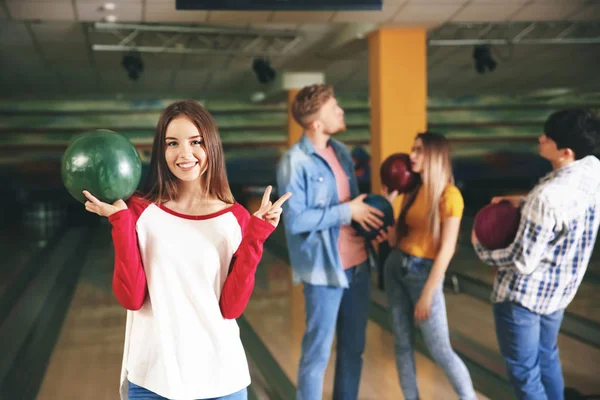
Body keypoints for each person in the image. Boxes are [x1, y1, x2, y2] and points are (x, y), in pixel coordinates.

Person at [82, 99, 291, 400]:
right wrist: (120, 223)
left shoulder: (236, 218)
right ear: (161, 150)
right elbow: (131, 297)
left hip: (220, 377)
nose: (184, 154)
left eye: (196, 142)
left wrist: (256, 236)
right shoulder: (140, 211)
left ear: (212, 147)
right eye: (172, 143)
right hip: (152, 376)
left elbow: (231, 308)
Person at [472, 108, 600, 400]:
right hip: (558, 294)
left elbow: (521, 261)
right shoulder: (593, 169)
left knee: (526, 375)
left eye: (548, 137)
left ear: (565, 151)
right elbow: (561, 209)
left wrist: (480, 246)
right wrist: (523, 202)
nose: (541, 138)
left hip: (522, 301)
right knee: (548, 360)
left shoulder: (546, 199)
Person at [275, 83, 385, 400]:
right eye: (334, 108)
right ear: (316, 123)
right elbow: (295, 220)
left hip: (359, 265)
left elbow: (352, 206)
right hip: (325, 271)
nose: (341, 111)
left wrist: (376, 210)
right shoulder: (294, 162)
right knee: (317, 354)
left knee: (353, 351)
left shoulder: (341, 152)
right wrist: (346, 211)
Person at [381, 132, 477, 400]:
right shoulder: (413, 190)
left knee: (440, 349)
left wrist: (427, 293)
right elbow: (397, 239)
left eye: (419, 150)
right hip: (396, 266)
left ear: (435, 156)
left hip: (423, 275)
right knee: (401, 344)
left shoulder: (450, 195)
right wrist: (387, 204)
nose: (411, 156)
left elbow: (447, 249)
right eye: (413, 149)